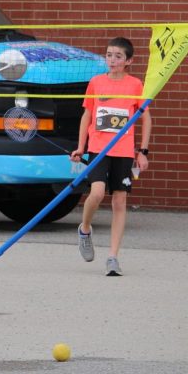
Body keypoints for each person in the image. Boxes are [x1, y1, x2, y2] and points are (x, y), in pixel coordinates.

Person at [70, 37, 151, 276]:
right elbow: (87, 116)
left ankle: (113, 257)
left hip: (124, 151)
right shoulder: (96, 82)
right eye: (108, 55)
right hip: (98, 148)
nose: (112, 60)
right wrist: (80, 147)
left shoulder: (136, 85)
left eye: (118, 56)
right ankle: (85, 229)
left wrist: (143, 152)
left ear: (128, 61)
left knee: (119, 202)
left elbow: (145, 118)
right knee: (96, 193)